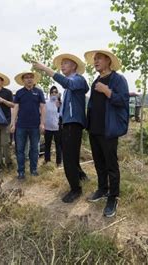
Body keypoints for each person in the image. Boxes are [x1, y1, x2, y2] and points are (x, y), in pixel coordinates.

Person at [33, 54, 89, 203]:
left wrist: (45, 69)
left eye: (65, 63)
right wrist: (60, 108)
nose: (62, 66)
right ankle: (82, 176)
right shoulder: (69, 88)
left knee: (68, 159)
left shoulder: (78, 80)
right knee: (71, 155)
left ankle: (75, 189)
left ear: (74, 66)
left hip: (73, 125)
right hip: (67, 124)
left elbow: (66, 82)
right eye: (61, 64)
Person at [84, 49, 129, 218]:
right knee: (98, 162)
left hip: (109, 130)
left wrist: (107, 91)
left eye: (99, 59)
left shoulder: (118, 79)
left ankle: (113, 197)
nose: (95, 62)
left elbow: (123, 101)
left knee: (111, 164)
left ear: (108, 61)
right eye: (94, 59)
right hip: (94, 129)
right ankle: (102, 189)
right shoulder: (96, 80)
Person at [10, 71, 45, 179]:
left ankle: (33, 170)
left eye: (31, 77)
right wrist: (12, 123)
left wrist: (42, 123)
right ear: (23, 80)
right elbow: (15, 108)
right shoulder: (19, 93)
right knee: (20, 149)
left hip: (35, 126)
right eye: (26, 78)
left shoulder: (39, 92)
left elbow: (43, 108)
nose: (29, 79)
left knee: (34, 149)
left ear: (33, 79)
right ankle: (21, 171)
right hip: (21, 126)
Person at [43, 86, 62, 166]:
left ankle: (58, 162)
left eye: (55, 92)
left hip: (57, 127)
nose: (54, 93)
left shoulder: (60, 103)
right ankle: (47, 160)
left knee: (58, 145)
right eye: (52, 92)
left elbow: (61, 114)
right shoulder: (46, 103)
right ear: (50, 93)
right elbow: (43, 114)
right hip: (47, 127)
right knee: (47, 144)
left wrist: (59, 101)